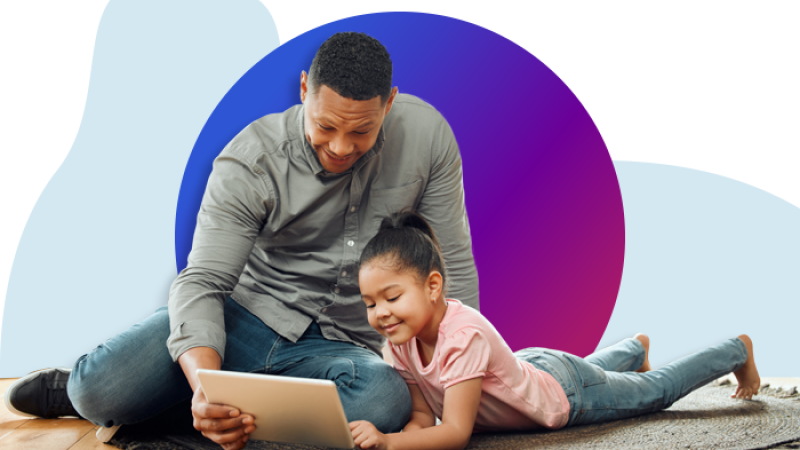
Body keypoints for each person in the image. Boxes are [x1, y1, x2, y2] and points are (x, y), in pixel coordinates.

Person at [4, 32, 479, 450]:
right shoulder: (252, 160)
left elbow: (449, 261)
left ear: (389, 103)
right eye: (326, 126)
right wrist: (208, 385)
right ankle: (111, 394)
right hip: (243, 318)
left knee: (385, 402)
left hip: (343, 345)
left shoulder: (428, 138)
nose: (340, 147)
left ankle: (184, 410)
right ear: (303, 91)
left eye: (361, 131)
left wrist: (461, 372)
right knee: (98, 393)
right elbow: (204, 282)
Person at [349, 211, 761, 450]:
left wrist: (388, 442)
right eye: (369, 304)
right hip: (529, 369)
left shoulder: (462, 337)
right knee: (590, 371)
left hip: (565, 396)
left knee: (656, 391)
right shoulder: (399, 342)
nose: (381, 313)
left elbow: (456, 432)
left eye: (391, 297)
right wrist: (401, 439)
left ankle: (734, 350)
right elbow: (423, 416)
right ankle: (634, 347)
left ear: (433, 287)